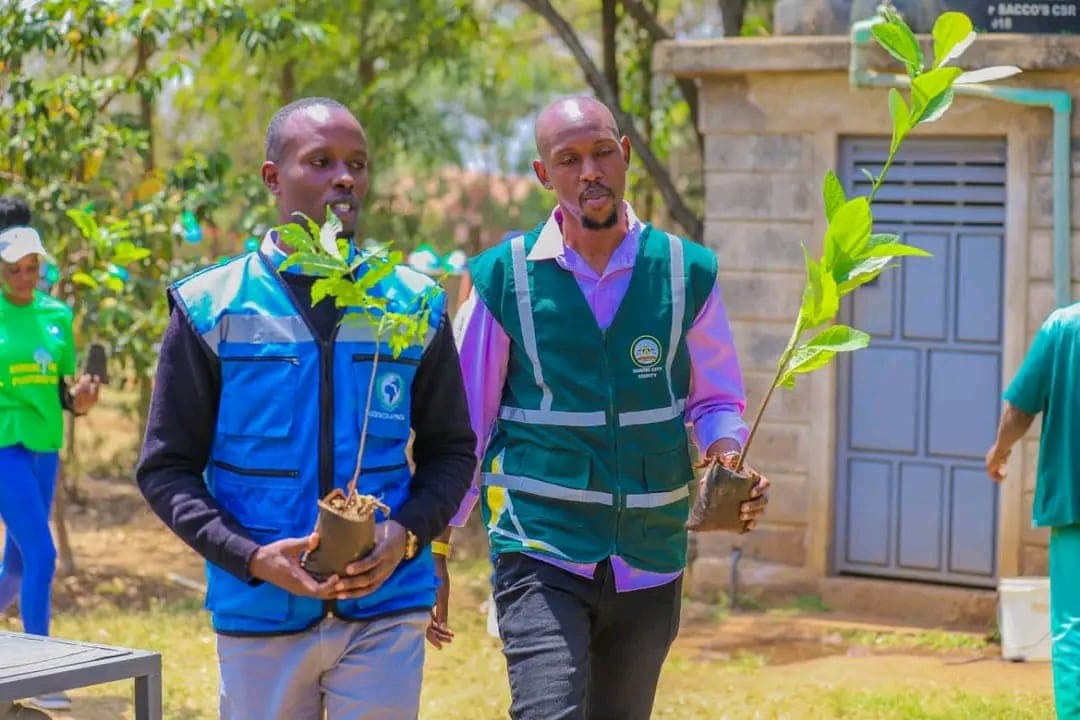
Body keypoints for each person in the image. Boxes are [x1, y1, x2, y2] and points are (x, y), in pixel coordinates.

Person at [135, 97, 476, 720]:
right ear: (273, 177)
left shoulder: (411, 303)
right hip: (259, 610)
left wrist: (405, 536)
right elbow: (165, 469)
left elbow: (452, 450)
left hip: (387, 608)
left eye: (357, 164)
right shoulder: (211, 306)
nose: (345, 178)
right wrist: (252, 558)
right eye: (320, 162)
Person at [433, 96, 770, 719]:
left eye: (602, 152)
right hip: (541, 544)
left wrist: (725, 454)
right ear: (544, 175)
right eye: (568, 159)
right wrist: (437, 548)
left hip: (651, 552)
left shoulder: (684, 271)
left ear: (626, 157)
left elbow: (716, 398)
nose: (589, 171)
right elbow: (467, 427)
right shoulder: (501, 280)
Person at [0, 197, 101, 714]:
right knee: (43, 554)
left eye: (31, 267)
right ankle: (38, 674)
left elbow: (63, 391)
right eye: (13, 268)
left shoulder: (57, 315)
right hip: (4, 449)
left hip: (45, 449)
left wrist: (80, 399)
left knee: (17, 563)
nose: (23, 276)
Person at [986, 303, 1080, 719]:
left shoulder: (1063, 327)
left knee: (1074, 627)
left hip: (1073, 503)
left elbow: (1020, 409)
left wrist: (999, 451)